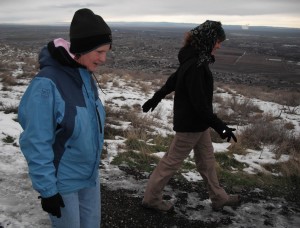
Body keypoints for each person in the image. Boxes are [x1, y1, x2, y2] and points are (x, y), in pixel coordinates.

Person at [18, 8, 112, 227]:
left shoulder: (85, 75)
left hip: (89, 176)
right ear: (81, 49)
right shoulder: (47, 84)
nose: (104, 59)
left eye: (106, 51)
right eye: (99, 51)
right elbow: (36, 141)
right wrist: (48, 190)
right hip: (63, 182)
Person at [141, 20, 240, 212]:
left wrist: (156, 97)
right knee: (171, 162)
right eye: (218, 41)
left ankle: (219, 197)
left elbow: (173, 80)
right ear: (208, 39)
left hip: (198, 124)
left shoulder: (195, 58)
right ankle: (151, 198)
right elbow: (199, 104)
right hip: (191, 124)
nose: (219, 45)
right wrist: (220, 127)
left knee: (207, 161)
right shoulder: (196, 64)